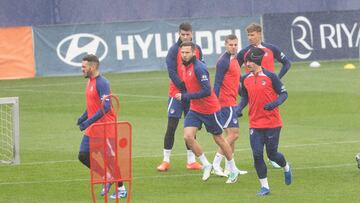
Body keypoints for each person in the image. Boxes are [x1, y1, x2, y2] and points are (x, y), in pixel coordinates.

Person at [175, 41, 239, 183]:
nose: (184, 55)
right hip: (195, 109)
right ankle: (206, 164)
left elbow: (206, 91)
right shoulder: (184, 66)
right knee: (188, 137)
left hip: (210, 109)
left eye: (187, 53)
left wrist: (185, 96)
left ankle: (233, 169)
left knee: (219, 140)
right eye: (182, 53)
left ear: (193, 53)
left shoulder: (199, 68)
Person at [236, 47, 292, 196]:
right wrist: (239, 108)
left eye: (249, 62)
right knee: (257, 154)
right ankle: (265, 187)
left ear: (257, 62)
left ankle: (286, 167)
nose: (247, 64)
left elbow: (284, 94)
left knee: (272, 155)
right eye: (246, 62)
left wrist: (274, 104)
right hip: (255, 123)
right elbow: (245, 97)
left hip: (273, 123)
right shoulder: (245, 79)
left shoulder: (271, 76)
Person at [237, 23, 291, 169]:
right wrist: (239, 87)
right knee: (256, 117)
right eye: (248, 35)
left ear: (259, 34)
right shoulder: (244, 52)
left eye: (252, 35)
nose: (250, 38)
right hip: (252, 87)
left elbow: (287, 63)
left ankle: (272, 155)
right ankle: (265, 156)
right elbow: (234, 70)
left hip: (270, 92)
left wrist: (277, 80)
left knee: (270, 119)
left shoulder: (271, 49)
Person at [77, 54, 126, 199]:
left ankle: (121, 188)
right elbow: (92, 105)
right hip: (93, 128)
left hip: (106, 127)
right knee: (83, 155)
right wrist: (83, 117)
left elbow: (105, 106)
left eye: (84, 67)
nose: (82, 70)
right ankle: (106, 175)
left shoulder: (102, 83)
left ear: (92, 67)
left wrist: (88, 122)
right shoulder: (90, 81)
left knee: (110, 159)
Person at [157, 22, 203, 172]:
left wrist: (192, 91)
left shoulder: (197, 50)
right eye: (182, 34)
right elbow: (171, 72)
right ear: (179, 34)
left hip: (190, 96)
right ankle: (165, 160)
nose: (185, 37)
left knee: (190, 129)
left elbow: (199, 69)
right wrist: (184, 88)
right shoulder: (173, 50)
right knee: (171, 127)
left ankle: (191, 161)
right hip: (176, 95)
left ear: (192, 34)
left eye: (187, 34)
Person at [212, 34, 247, 177]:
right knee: (234, 134)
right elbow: (217, 83)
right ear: (225, 45)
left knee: (230, 135)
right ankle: (215, 163)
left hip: (232, 101)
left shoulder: (235, 60)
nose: (233, 47)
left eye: (235, 44)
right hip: (224, 103)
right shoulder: (223, 62)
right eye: (231, 44)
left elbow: (235, 81)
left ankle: (230, 168)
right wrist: (214, 104)